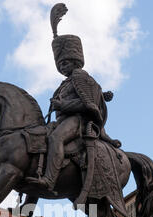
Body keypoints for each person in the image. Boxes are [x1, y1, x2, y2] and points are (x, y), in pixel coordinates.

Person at [26, 3, 121, 191]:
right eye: (59, 64)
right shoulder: (66, 82)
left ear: (75, 61)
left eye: (65, 62)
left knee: (55, 139)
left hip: (77, 121)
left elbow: (87, 102)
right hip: (62, 120)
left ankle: (50, 180)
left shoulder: (80, 77)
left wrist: (63, 104)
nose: (62, 67)